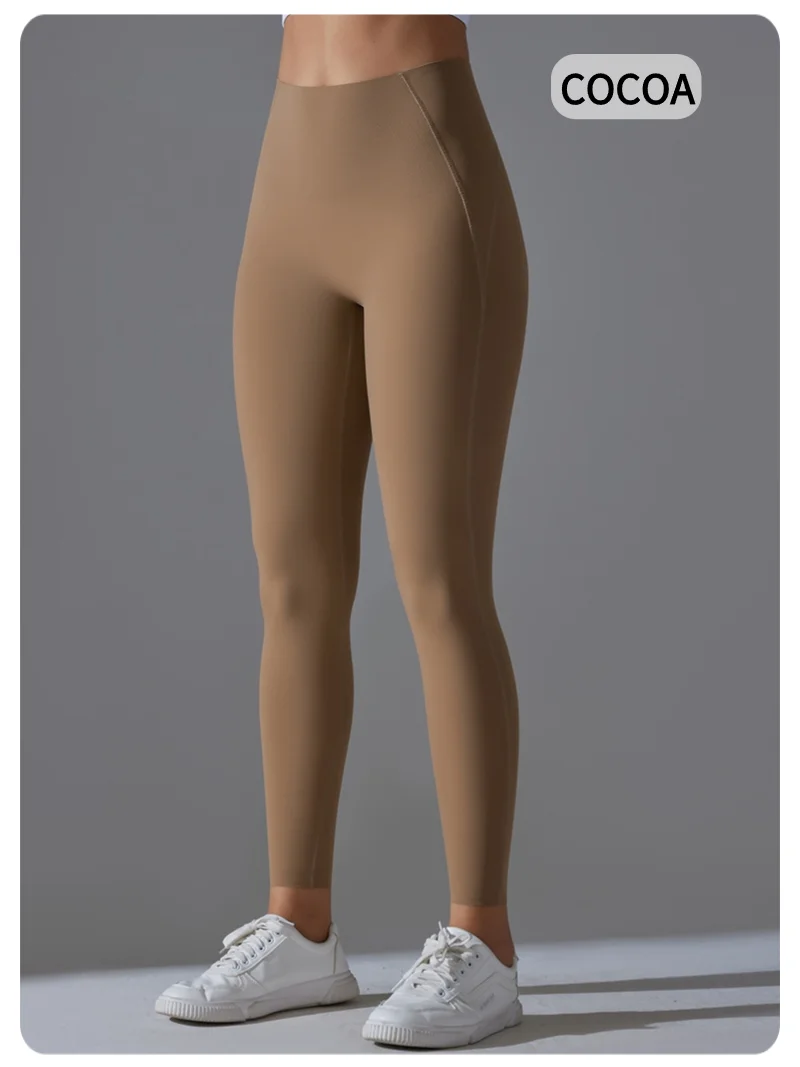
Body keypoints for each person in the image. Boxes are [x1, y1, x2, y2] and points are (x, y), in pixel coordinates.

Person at [155, 14, 528, 1049]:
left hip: (421, 162)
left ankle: (483, 942)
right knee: (291, 582)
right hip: (289, 168)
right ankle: (301, 929)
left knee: (440, 579)